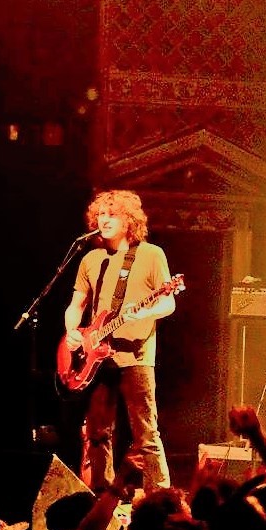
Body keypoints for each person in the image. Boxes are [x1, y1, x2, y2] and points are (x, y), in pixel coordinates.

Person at [63, 189, 177, 494]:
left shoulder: (152, 255)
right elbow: (77, 304)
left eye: (112, 214)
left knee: (146, 434)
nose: (104, 219)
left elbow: (168, 303)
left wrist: (144, 312)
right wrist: (73, 331)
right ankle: (102, 496)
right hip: (97, 359)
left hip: (136, 357)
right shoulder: (91, 258)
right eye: (101, 214)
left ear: (129, 220)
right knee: (98, 433)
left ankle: (161, 499)